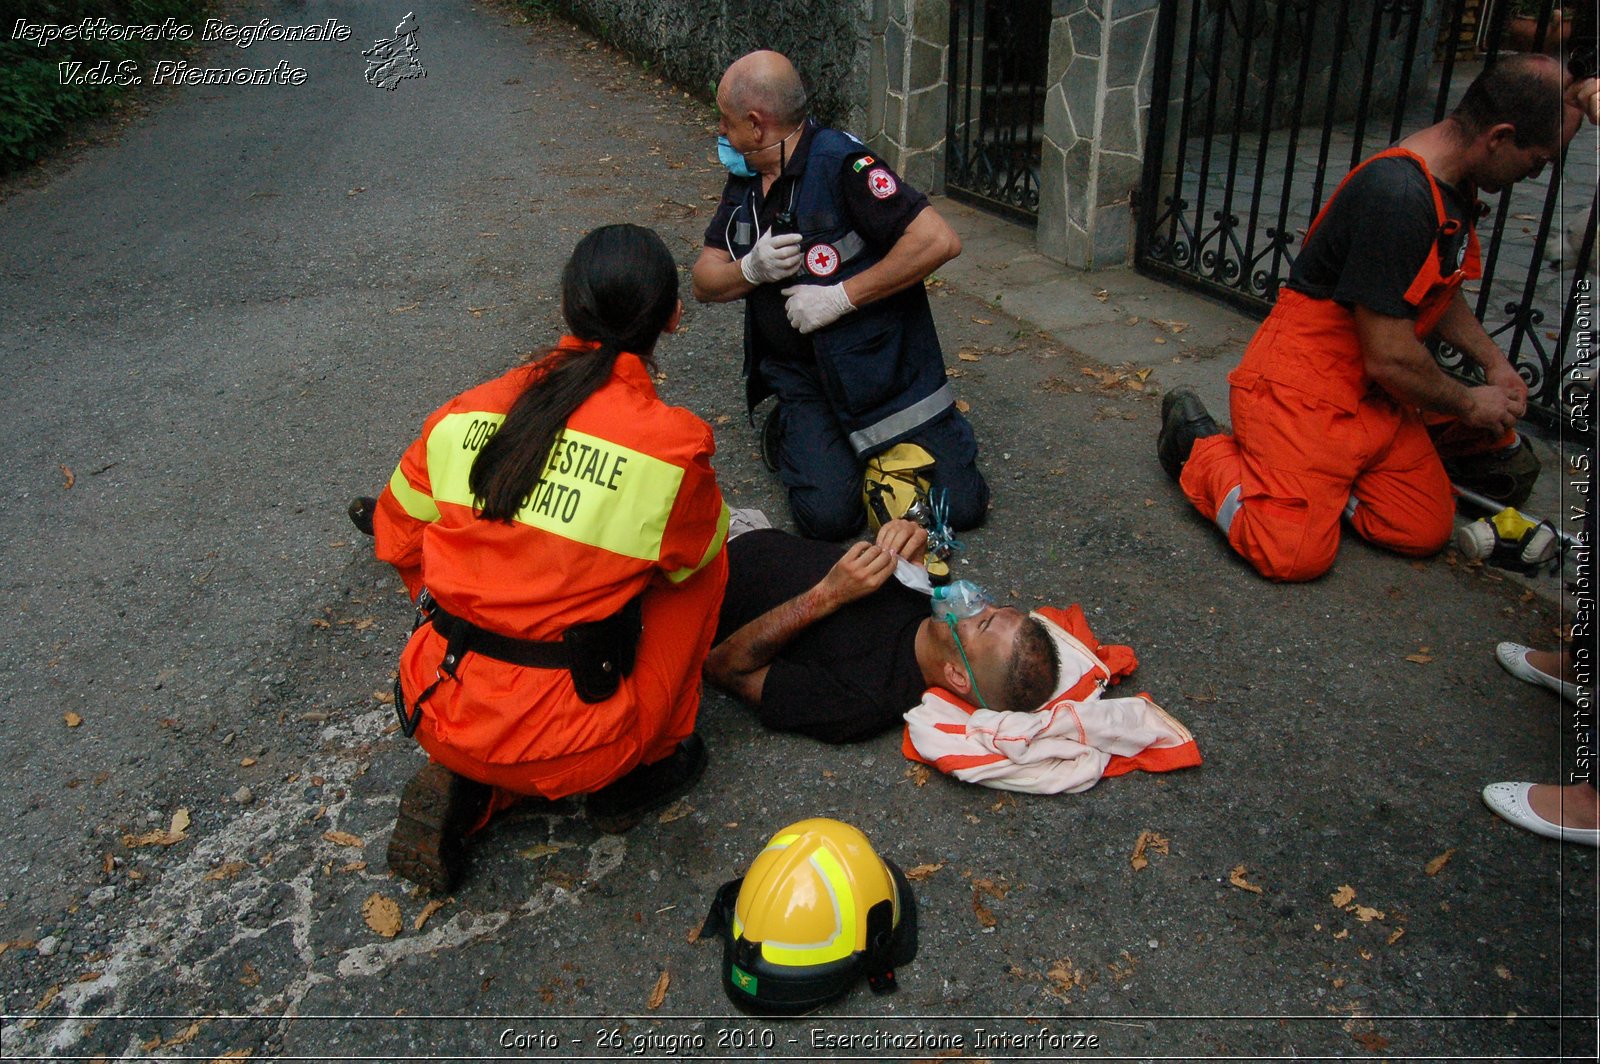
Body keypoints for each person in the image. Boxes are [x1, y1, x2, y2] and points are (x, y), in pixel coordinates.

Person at [362, 224, 730, 892]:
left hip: (436, 700)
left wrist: (474, 593)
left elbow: (395, 536)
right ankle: (649, 761)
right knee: (703, 565)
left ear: (565, 307)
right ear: (674, 319)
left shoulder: (462, 414)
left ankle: (478, 782)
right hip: (579, 739)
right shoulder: (672, 450)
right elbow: (692, 556)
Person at [1158, 54, 1586, 582]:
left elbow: (1436, 292)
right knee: (1291, 555)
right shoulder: (1399, 196)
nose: (1534, 174)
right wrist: (1470, 402)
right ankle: (1199, 450)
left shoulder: (1451, 185)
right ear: (1499, 137)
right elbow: (1389, 357)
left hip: (1370, 401)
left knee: (1422, 527)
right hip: (1305, 392)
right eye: (1537, 160)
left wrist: (1494, 364)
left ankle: (1314, 486)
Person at [691, 49, 988, 541]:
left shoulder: (842, 165)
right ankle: (791, 432)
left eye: (726, 122)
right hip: (804, 379)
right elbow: (704, 280)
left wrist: (841, 297)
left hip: (884, 373)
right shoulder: (745, 181)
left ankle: (903, 442)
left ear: (756, 123)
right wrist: (751, 267)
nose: (720, 133)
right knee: (827, 519)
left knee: (960, 504)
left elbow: (938, 241)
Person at [704, 517, 1060, 743]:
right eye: (997, 605)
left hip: (690, 587)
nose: (977, 601)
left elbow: (723, 668)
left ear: (956, 675)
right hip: (739, 526)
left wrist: (826, 597)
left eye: (983, 621)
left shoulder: (861, 701)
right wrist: (910, 541)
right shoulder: (928, 604)